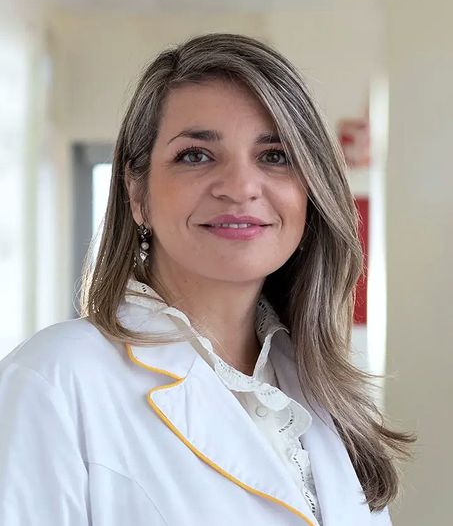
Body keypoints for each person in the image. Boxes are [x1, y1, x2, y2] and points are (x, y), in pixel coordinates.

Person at [0, 33, 413, 526]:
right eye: (196, 155)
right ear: (137, 194)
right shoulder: (53, 379)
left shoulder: (324, 393)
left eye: (275, 155)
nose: (240, 187)